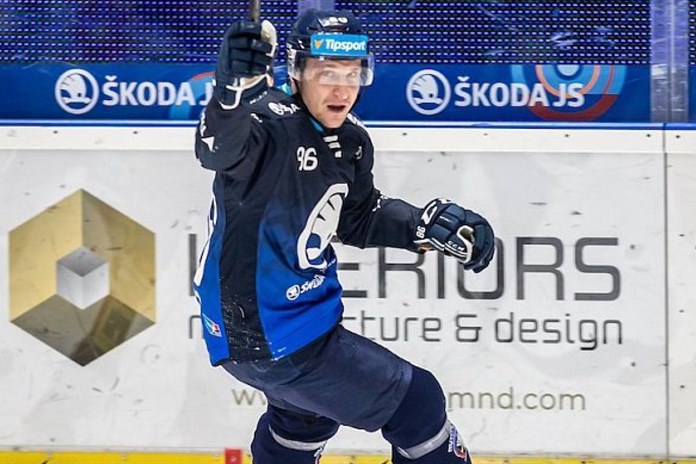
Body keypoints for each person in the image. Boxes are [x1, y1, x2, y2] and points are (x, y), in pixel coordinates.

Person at [193, 9, 496, 464]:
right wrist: (230, 91)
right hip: (269, 333)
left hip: (294, 328)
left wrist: (422, 225)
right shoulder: (265, 120)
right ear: (296, 71)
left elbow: (358, 217)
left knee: (305, 417)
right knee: (418, 403)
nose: (342, 89)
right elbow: (217, 149)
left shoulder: (351, 141)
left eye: (352, 74)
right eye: (327, 73)